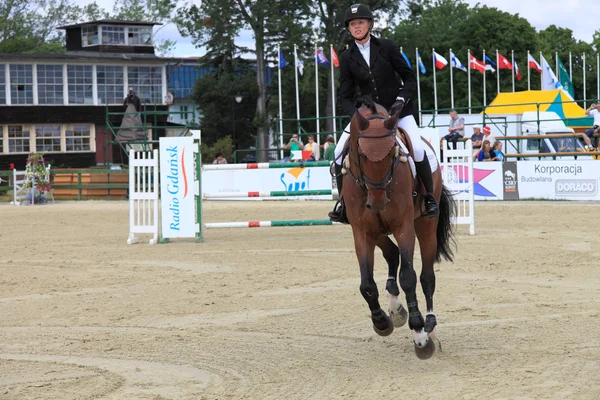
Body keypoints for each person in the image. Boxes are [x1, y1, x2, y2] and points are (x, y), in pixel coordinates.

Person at [329, 3, 439, 223]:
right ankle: (343, 204)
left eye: (360, 22)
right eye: (352, 24)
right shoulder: (347, 57)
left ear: (369, 24)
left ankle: (428, 197)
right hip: (368, 117)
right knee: (339, 151)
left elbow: (409, 77)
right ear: (349, 29)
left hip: (398, 111)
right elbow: (345, 96)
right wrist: (357, 116)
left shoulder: (387, 46)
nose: (357, 26)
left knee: (417, 148)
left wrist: (401, 99)